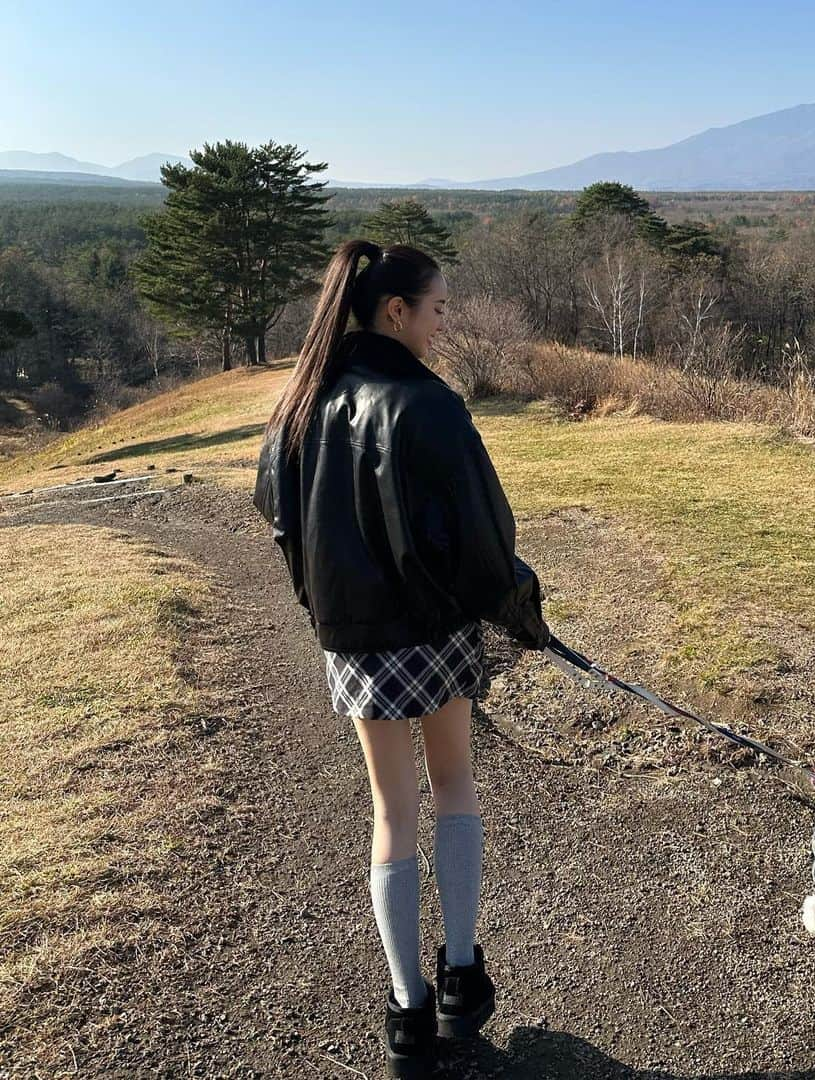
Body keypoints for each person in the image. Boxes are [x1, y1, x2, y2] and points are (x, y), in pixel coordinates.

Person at [253, 239, 550, 1077]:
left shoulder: (301, 399)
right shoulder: (428, 404)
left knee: (390, 811)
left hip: (352, 642)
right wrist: (520, 613)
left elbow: (278, 516)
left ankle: (408, 1013)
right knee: (451, 784)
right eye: (439, 308)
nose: (443, 322)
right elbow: (486, 540)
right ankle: (463, 977)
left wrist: (324, 611)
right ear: (397, 311)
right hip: (434, 633)